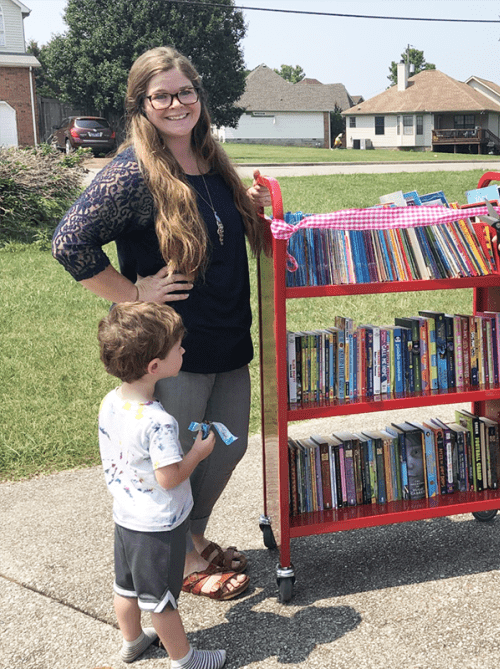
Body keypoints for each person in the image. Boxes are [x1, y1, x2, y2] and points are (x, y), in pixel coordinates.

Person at [53, 46, 272, 599]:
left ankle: (189, 536)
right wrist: (132, 295)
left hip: (227, 334)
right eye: (162, 96)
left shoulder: (208, 156)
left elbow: (221, 228)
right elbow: (69, 242)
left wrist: (248, 202)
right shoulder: (133, 171)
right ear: (142, 104)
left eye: (186, 92)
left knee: (228, 446)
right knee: (166, 463)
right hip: (171, 347)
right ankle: (172, 562)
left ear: (199, 95)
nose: (176, 104)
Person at [97, 302, 232, 668]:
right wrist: (199, 453)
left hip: (126, 518)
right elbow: (169, 477)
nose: (184, 351)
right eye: (178, 348)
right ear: (154, 367)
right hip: (159, 524)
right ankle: (185, 659)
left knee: (125, 587)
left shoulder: (111, 402)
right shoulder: (159, 421)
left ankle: (132, 641)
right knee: (161, 601)